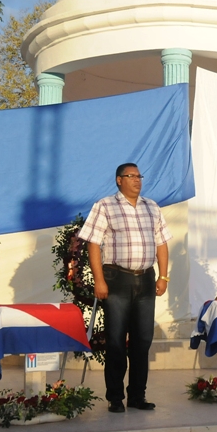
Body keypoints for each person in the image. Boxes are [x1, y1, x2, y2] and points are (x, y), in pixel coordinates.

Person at [78, 163, 172, 413]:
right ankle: (116, 397)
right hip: (117, 279)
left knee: (143, 341)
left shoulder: (151, 207)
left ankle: (137, 396)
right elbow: (93, 244)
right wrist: (99, 280)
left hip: (146, 280)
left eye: (139, 176)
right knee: (117, 341)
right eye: (131, 176)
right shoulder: (105, 206)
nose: (137, 180)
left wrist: (164, 276)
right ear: (119, 180)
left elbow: (162, 243)